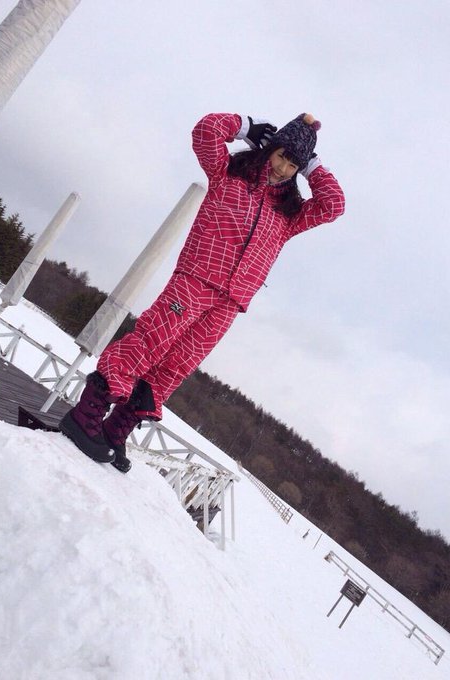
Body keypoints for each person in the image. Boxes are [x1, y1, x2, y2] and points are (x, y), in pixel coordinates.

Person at [59, 111, 345, 472]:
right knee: (150, 341)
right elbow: (206, 131)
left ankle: (115, 430)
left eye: (293, 164)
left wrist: (312, 165)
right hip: (196, 278)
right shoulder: (228, 175)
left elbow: (334, 204)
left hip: (231, 301)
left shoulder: (289, 215)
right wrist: (245, 126)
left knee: (177, 364)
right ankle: (86, 414)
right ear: (269, 148)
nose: (284, 168)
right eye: (281, 156)